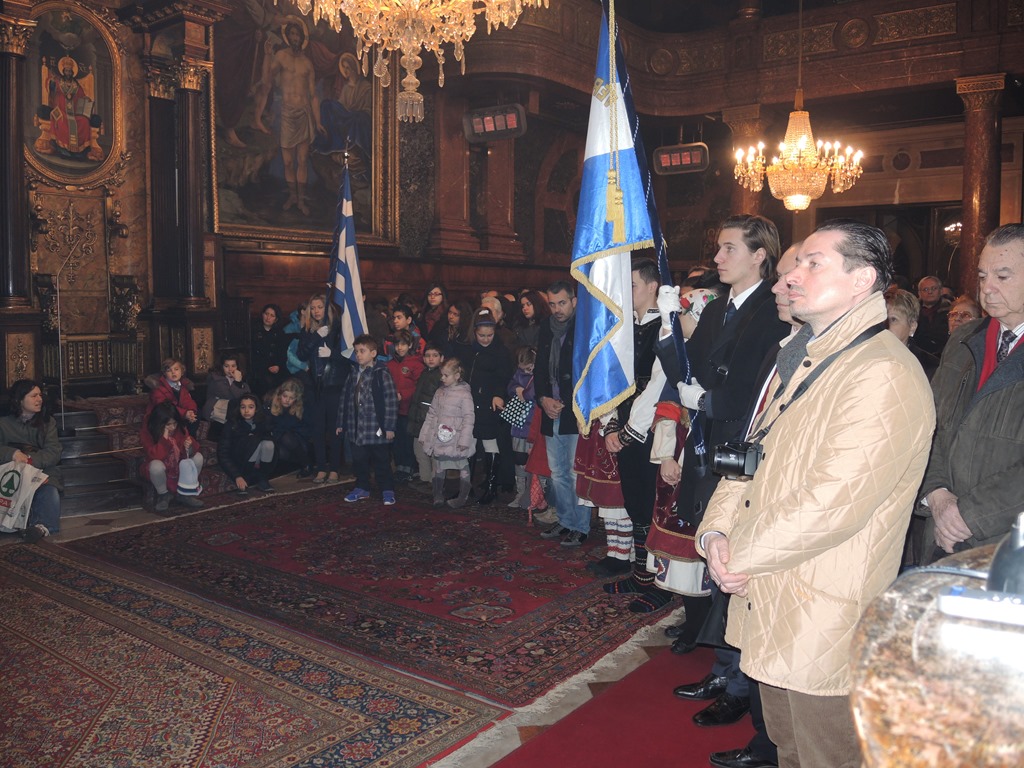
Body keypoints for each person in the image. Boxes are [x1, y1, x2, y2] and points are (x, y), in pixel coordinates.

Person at [696, 219, 935, 768]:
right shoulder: (807, 355)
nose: (790, 278)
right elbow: (748, 458)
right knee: (788, 747)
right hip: (772, 588)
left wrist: (740, 555)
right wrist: (715, 534)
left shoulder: (881, 372)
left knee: (827, 754)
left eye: (813, 263)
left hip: (822, 608)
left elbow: (833, 502)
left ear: (862, 280)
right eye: (795, 264)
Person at [659, 215, 789, 651]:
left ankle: (731, 660)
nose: (717, 257)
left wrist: (707, 401)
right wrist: (668, 328)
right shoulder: (717, 308)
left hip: (742, 444)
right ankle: (710, 637)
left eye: (729, 248)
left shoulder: (773, 310)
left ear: (759, 255)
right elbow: (688, 373)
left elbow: (758, 388)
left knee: (734, 547)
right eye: (718, 248)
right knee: (709, 536)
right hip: (706, 442)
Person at [918, 223, 1024, 563]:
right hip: (940, 530)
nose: (987, 288)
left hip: (1006, 543)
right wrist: (936, 494)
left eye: (1002, 276)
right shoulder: (963, 340)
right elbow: (929, 424)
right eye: (981, 276)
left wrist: (969, 515)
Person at [600, 258, 673, 612]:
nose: (626, 293)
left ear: (651, 286)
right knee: (635, 503)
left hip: (653, 428)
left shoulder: (666, 327)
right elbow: (613, 378)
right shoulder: (626, 327)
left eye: (631, 286)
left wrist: (630, 430)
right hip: (626, 423)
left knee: (656, 503)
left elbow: (659, 384)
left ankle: (662, 582)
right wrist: (611, 424)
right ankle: (641, 573)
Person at [534, 281, 591, 546]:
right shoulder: (546, 327)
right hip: (550, 407)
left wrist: (567, 403)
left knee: (575, 471)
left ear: (574, 301)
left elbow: (589, 372)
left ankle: (581, 525)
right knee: (557, 472)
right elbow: (540, 368)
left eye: (562, 303)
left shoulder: (584, 326)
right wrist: (543, 398)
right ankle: (566, 519)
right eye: (552, 304)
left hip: (574, 410)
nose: (557, 309)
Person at [269, 20, 325, 215]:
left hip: (303, 113)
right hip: (287, 114)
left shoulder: (307, 63)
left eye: (297, 35)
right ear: (287, 36)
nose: (295, 38)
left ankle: (301, 200)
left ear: (302, 38)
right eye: (292, 34)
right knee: (287, 162)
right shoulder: (281, 57)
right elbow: (268, 77)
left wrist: (318, 121)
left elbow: (313, 96)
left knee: (302, 160)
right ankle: (292, 196)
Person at [337, 334, 398, 505]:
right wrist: (341, 423)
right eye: (356, 351)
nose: (358, 355)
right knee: (359, 461)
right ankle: (362, 487)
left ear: (373, 353)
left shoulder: (381, 374)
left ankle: (387, 489)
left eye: (362, 351)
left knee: (381, 460)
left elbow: (391, 401)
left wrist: (389, 427)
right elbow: (344, 399)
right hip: (356, 428)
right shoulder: (353, 373)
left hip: (376, 428)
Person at [0, 379, 63, 543]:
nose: (39, 399)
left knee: (49, 491)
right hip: (11, 473)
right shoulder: (3, 424)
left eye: (40, 395)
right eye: (34, 396)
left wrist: (29, 461)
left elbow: (53, 452)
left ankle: (41, 528)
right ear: (19, 400)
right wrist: (12, 453)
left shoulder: (48, 423)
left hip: (41, 471)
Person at [297, 293, 350, 484]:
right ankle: (321, 468)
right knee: (317, 429)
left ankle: (334, 468)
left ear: (327, 308)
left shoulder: (338, 328)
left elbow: (350, 357)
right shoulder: (307, 330)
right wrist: (315, 336)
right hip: (315, 386)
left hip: (334, 385)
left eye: (320, 307)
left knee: (334, 429)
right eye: (313, 308)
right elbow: (301, 354)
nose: (316, 311)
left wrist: (332, 354)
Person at [464, 309, 515, 505]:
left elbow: (504, 376)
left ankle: (492, 486)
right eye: (482, 335)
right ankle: (466, 485)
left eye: (489, 335)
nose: (486, 339)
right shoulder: (469, 349)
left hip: (490, 404)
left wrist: (499, 394)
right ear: (475, 333)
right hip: (470, 402)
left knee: (489, 442)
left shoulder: (501, 351)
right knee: (469, 442)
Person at [419, 358, 476, 507]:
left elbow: (469, 418)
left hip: (456, 439)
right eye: (442, 375)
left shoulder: (464, 394)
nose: (442, 378)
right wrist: (424, 434)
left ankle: (462, 497)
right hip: (439, 437)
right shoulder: (440, 392)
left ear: (457, 376)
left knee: (462, 464)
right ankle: (437, 494)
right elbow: (431, 414)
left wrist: (464, 440)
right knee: (438, 464)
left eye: (446, 375)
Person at [141, 402, 205, 513]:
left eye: (174, 423)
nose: (172, 427)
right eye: (168, 425)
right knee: (156, 466)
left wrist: (189, 446)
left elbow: (190, 450)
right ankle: (163, 494)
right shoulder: (148, 431)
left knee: (198, 457)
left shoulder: (179, 429)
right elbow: (154, 456)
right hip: (162, 468)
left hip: (178, 466)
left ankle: (185, 493)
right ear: (159, 423)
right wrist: (164, 440)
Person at [386, 329, 425, 482]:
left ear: (409, 345)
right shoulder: (390, 364)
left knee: (408, 440)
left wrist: (403, 395)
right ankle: (400, 466)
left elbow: (419, 386)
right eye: (397, 345)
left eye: (403, 344)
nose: (400, 348)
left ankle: (409, 468)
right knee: (397, 440)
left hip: (409, 409)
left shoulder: (416, 364)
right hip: (393, 410)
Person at [218, 394, 276, 494]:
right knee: (252, 441)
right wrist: (237, 476)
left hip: (258, 461)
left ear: (256, 409)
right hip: (240, 463)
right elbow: (223, 452)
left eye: (251, 407)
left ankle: (262, 477)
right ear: (238, 408)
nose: (246, 411)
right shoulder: (231, 425)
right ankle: (245, 477)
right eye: (243, 407)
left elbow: (271, 442)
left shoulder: (262, 422)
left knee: (269, 444)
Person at [407, 343, 445, 485]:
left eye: (435, 356)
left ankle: (435, 481)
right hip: (419, 420)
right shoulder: (424, 373)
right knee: (420, 452)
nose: (431, 359)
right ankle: (425, 478)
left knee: (435, 453)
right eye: (428, 356)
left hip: (432, 421)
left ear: (442, 358)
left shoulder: (442, 376)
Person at [506, 346, 537, 509]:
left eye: (529, 369)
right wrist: (516, 388)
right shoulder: (519, 374)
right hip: (518, 425)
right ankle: (520, 492)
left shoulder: (539, 375)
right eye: (523, 369)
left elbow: (535, 394)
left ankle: (533, 494)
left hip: (533, 426)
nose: (527, 372)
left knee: (533, 461)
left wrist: (524, 393)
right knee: (519, 460)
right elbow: (510, 386)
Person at [885, 289, 939, 378]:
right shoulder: (866, 356)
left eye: (893, 319)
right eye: (881, 319)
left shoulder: (929, 366)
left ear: (912, 327)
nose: (885, 326)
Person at [202, 352, 253, 438]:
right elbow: (229, 396)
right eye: (226, 366)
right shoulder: (215, 379)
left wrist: (239, 381)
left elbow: (247, 396)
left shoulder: (239, 377)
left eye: (233, 366)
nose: (230, 369)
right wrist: (237, 382)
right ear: (221, 366)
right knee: (235, 405)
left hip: (231, 411)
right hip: (216, 409)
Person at [266, 377, 311, 474]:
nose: (287, 400)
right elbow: (268, 426)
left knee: (286, 437)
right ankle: (299, 464)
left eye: (291, 398)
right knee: (280, 450)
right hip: (278, 440)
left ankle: (306, 464)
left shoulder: (300, 408)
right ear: (279, 395)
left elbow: (304, 430)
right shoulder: (272, 404)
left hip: (298, 442)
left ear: (296, 399)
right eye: (285, 396)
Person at [146, 358, 200, 437]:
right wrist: (184, 413)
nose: (173, 372)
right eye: (169, 370)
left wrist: (191, 411)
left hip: (178, 415)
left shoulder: (183, 386)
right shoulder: (158, 388)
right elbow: (165, 407)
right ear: (165, 373)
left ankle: (189, 440)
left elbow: (188, 401)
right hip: (162, 418)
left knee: (197, 415)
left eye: (176, 369)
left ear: (182, 372)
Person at [250, 303, 288, 398]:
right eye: (266, 314)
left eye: (272, 315)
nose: (268, 318)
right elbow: (251, 353)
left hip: (275, 368)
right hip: (257, 368)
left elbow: (283, 353)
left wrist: (278, 366)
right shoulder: (253, 330)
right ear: (262, 314)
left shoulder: (280, 333)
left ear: (276, 319)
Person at [915, 275, 949, 355]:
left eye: (934, 288)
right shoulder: (912, 311)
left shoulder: (950, 310)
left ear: (941, 291)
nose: (930, 292)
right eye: (925, 289)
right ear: (919, 293)